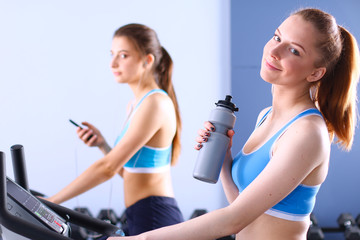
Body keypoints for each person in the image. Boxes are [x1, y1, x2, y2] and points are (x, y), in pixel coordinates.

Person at [108, 8, 360, 240]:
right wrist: (225, 157)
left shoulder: (307, 132)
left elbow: (233, 220)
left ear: (315, 73)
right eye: (276, 37)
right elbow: (242, 208)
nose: (274, 51)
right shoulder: (266, 116)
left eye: (294, 50)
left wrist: (141, 238)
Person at [47, 23, 184, 236]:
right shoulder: (136, 104)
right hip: (140, 214)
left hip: (155, 215)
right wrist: (102, 145)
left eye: (123, 55)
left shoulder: (155, 103)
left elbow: (107, 169)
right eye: (112, 54)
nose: (112, 63)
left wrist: (50, 202)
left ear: (147, 60)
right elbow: (130, 172)